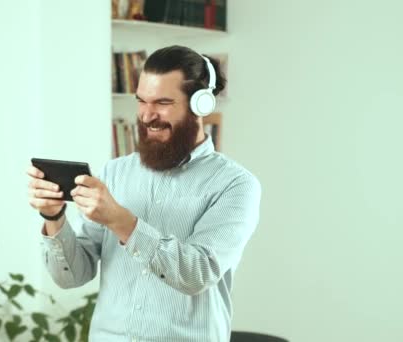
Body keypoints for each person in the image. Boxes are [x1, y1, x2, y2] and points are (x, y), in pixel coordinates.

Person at [27, 45, 261, 342]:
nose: (147, 115)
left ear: (200, 105)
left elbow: (197, 273)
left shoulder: (235, 185)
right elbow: (72, 276)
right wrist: (54, 217)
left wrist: (120, 220)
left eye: (162, 102)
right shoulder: (115, 172)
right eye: (141, 101)